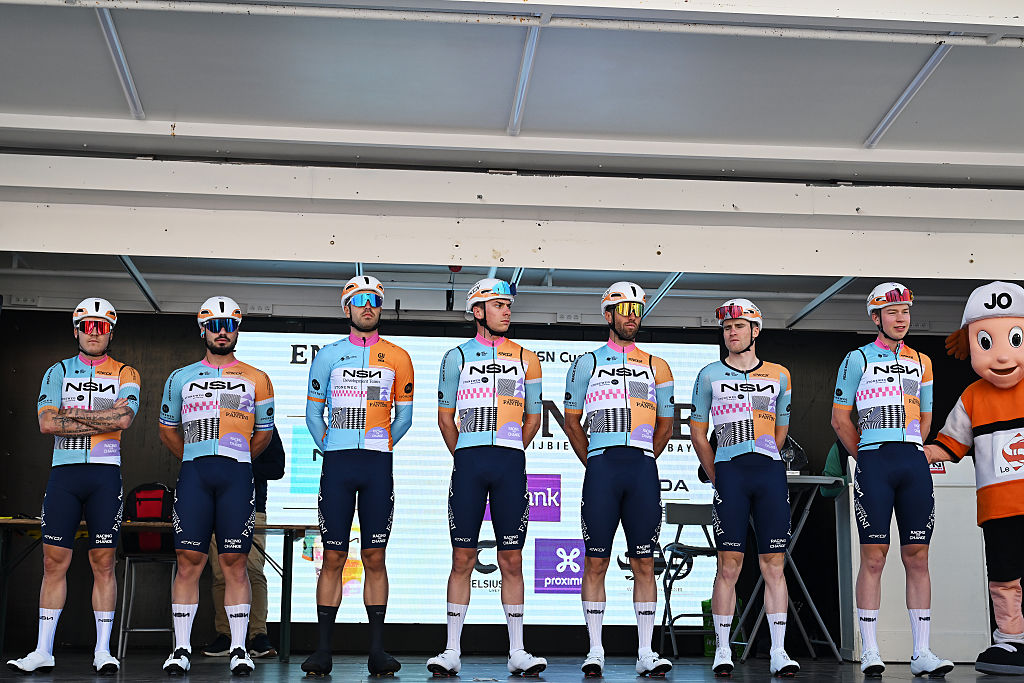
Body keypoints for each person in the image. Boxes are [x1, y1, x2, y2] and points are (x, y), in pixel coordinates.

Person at [7, 298, 139, 676]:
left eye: (102, 326)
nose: (94, 333)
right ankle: (42, 651)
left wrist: (73, 415)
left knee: (104, 562)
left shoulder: (127, 372)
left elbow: (124, 419)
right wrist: (102, 418)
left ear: (111, 332)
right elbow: (47, 423)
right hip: (64, 475)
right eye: (87, 326)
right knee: (53, 562)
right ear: (77, 330)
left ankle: (103, 651)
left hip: (104, 475)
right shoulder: (57, 371)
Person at [830, 282, 953, 678]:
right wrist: (865, 455)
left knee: (918, 556)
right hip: (874, 461)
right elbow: (839, 418)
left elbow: (927, 418)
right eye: (892, 312)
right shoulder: (857, 358)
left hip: (913, 462)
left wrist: (912, 447)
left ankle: (922, 652)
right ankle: (870, 650)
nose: (901, 319)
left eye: (905, 312)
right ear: (876, 317)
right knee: (874, 556)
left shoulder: (923, 361)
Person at [427, 278, 546, 677]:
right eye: (498, 305)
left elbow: (533, 418)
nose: (506, 311)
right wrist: (465, 454)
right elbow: (445, 418)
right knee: (462, 557)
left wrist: (510, 449)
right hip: (469, 464)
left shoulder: (527, 358)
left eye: (508, 305)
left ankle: (518, 652)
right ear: (477, 311)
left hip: (510, 464)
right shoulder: (455, 357)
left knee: (512, 558)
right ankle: (451, 651)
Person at [300, 276, 414, 678]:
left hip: (377, 466)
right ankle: (323, 651)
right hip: (338, 465)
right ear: (346, 307)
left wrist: (381, 444)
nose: (368, 306)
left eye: (375, 300)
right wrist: (331, 446)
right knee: (332, 556)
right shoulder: (328, 355)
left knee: (375, 556)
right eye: (361, 300)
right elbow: (313, 414)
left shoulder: (398, 356)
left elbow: (405, 416)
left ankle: (377, 651)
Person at [158, 296, 275, 677]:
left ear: (237, 330)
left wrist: (235, 459)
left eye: (229, 325)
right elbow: (167, 430)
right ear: (202, 330)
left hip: (236, 477)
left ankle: (240, 649)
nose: (221, 332)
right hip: (194, 476)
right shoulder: (180, 377)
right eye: (214, 325)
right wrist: (194, 458)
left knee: (235, 563)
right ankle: (180, 649)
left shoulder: (258, 378)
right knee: (188, 561)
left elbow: (264, 434)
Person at [563, 282, 675, 678]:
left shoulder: (658, 365)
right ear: (608, 315)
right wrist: (594, 461)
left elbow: (665, 425)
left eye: (637, 309)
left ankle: (646, 652)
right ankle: (595, 650)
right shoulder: (586, 363)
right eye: (624, 308)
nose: (632, 315)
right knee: (595, 561)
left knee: (644, 562)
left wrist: (644, 456)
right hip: (603, 468)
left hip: (642, 468)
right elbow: (572, 422)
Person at [689, 298, 799, 677]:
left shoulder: (780, 375)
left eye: (738, 326)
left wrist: (766, 457)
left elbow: (781, 431)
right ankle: (722, 650)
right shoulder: (708, 375)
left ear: (755, 330)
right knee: (728, 565)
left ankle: (779, 651)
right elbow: (698, 432)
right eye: (726, 328)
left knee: (774, 564)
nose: (731, 333)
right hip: (730, 473)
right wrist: (717, 473)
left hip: (769, 473)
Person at [925, 282, 1024, 675]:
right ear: (969, 344)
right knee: (1004, 576)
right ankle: (1012, 639)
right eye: (986, 342)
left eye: (1015, 339)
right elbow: (949, 444)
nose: (1001, 355)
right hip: (997, 509)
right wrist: (919, 452)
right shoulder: (972, 397)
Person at [202, 427, 285, 660]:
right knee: (220, 574)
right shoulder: (212, 419)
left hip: (253, 507)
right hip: (216, 508)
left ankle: (258, 635)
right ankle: (225, 635)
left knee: (253, 571)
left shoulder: (263, 423)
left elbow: (277, 468)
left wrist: (240, 466)